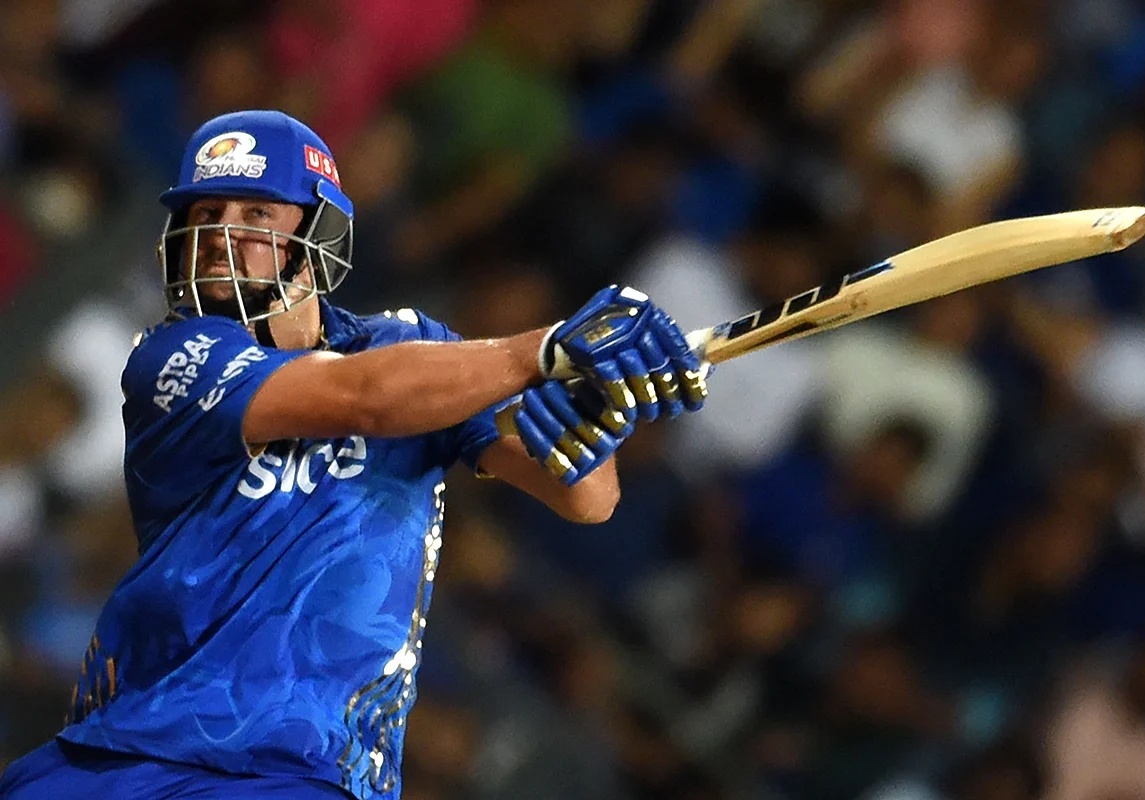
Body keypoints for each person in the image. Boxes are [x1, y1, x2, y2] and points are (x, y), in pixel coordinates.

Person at [0, 109, 708, 799]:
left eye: (252, 213)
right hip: (122, 743)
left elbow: (585, 498)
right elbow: (362, 397)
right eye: (204, 214)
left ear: (318, 232)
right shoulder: (172, 357)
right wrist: (544, 349)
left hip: (301, 768)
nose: (217, 233)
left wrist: (593, 414)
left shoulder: (410, 350)